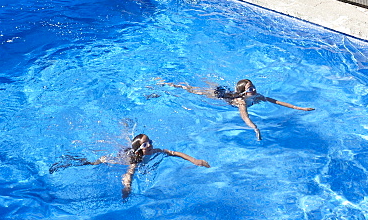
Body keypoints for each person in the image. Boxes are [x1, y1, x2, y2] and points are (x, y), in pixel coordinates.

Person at [49, 133, 210, 198]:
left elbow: (174, 153)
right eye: (147, 144)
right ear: (140, 149)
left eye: (150, 142)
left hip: (132, 152)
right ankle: (70, 161)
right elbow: (129, 174)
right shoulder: (136, 160)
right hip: (115, 158)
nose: (151, 145)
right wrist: (127, 188)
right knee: (91, 163)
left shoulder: (155, 151)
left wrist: (195, 161)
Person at [159, 77, 314, 141]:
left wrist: (297, 107)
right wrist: (255, 128)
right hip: (219, 96)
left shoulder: (256, 96)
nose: (254, 89)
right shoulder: (241, 102)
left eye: (253, 87)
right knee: (192, 90)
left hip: (226, 91)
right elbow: (245, 117)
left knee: (208, 84)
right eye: (250, 88)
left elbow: (275, 101)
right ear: (243, 92)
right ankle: (170, 84)